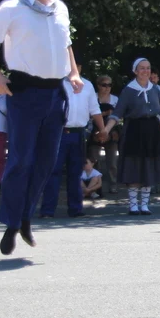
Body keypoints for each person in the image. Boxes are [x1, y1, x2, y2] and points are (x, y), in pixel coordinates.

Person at [0, 0, 83, 253]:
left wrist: (74, 72)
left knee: (47, 162)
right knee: (21, 160)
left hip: (55, 94)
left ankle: (25, 216)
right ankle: (12, 223)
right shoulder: (12, 8)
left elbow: (66, 43)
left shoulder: (60, 8)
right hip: (25, 92)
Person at [105, 58, 160, 214]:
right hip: (134, 130)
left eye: (148, 68)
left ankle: (144, 204)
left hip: (152, 130)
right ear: (135, 71)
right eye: (142, 68)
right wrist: (106, 129)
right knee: (134, 165)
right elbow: (117, 113)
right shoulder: (129, 90)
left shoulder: (154, 89)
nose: (145, 71)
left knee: (150, 166)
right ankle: (133, 205)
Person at [38, 66, 107, 218]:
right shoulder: (56, 82)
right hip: (58, 131)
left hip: (78, 132)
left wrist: (102, 130)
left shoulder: (87, 85)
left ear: (80, 67)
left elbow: (95, 109)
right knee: (53, 171)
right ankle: (48, 210)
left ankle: (75, 209)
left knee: (76, 172)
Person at [89, 75, 120, 193]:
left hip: (112, 131)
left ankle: (113, 184)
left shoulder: (115, 99)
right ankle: (95, 185)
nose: (107, 88)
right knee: (94, 160)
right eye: (104, 85)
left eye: (109, 85)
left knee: (112, 162)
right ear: (98, 85)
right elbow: (88, 115)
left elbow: (118, 117)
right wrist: (105, 113)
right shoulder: (92, 97)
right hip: (94, 131)